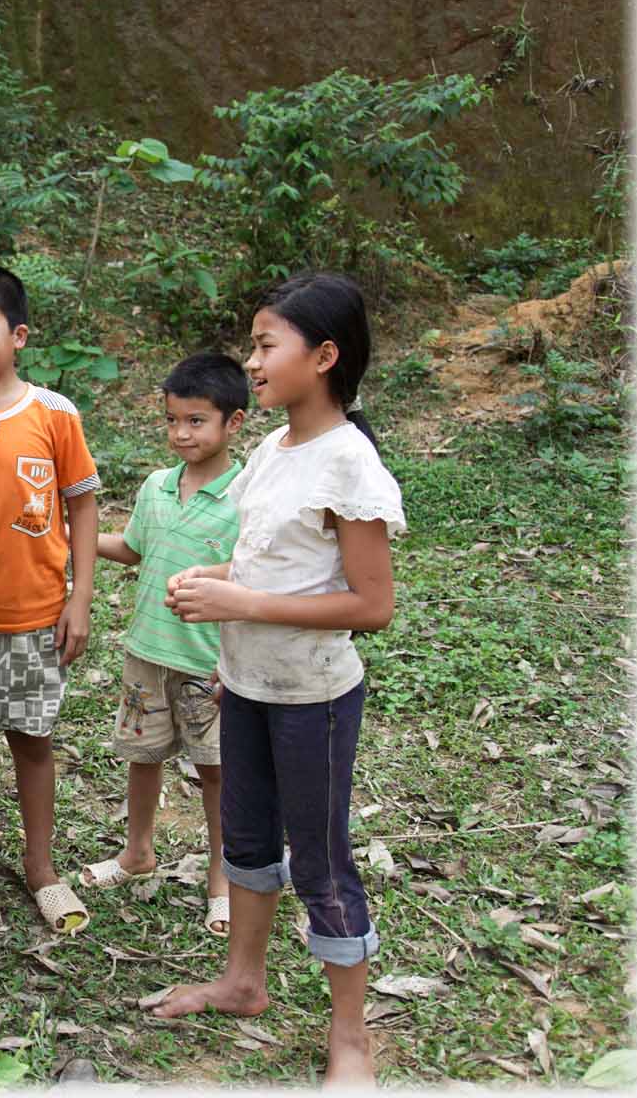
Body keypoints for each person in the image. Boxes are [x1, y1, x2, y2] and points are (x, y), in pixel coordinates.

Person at [152, 273, 405, 1089]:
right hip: (248, 684)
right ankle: (243, 981)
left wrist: (241, 598)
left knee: (320, 860)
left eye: (267, 346)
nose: (252, 363)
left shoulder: (349, 465)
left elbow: (371, 604)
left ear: (324, 356)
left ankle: (351, 1038)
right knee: (249, 841)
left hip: (314, 702)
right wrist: (216, 584)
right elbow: (275, 564)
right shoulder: (274, 447)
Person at [0, 266, 100, 935]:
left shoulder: (53, 415)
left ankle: (42, 868)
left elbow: (83, 507)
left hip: (36, 620)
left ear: (19, 335)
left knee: (33, 743)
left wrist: (80, 597)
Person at [83, 352, 247, 937]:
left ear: (235, 423)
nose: (182, 433)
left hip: (211, 663)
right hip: (147, 653)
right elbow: (133, 549)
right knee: (142, 756)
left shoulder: (246, 496)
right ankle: (137, 852)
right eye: (173, 420)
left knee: (217, 773)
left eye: (197, 421)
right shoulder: (156, 486)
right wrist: (73, 540)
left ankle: (222, 881)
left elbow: (257, 576)